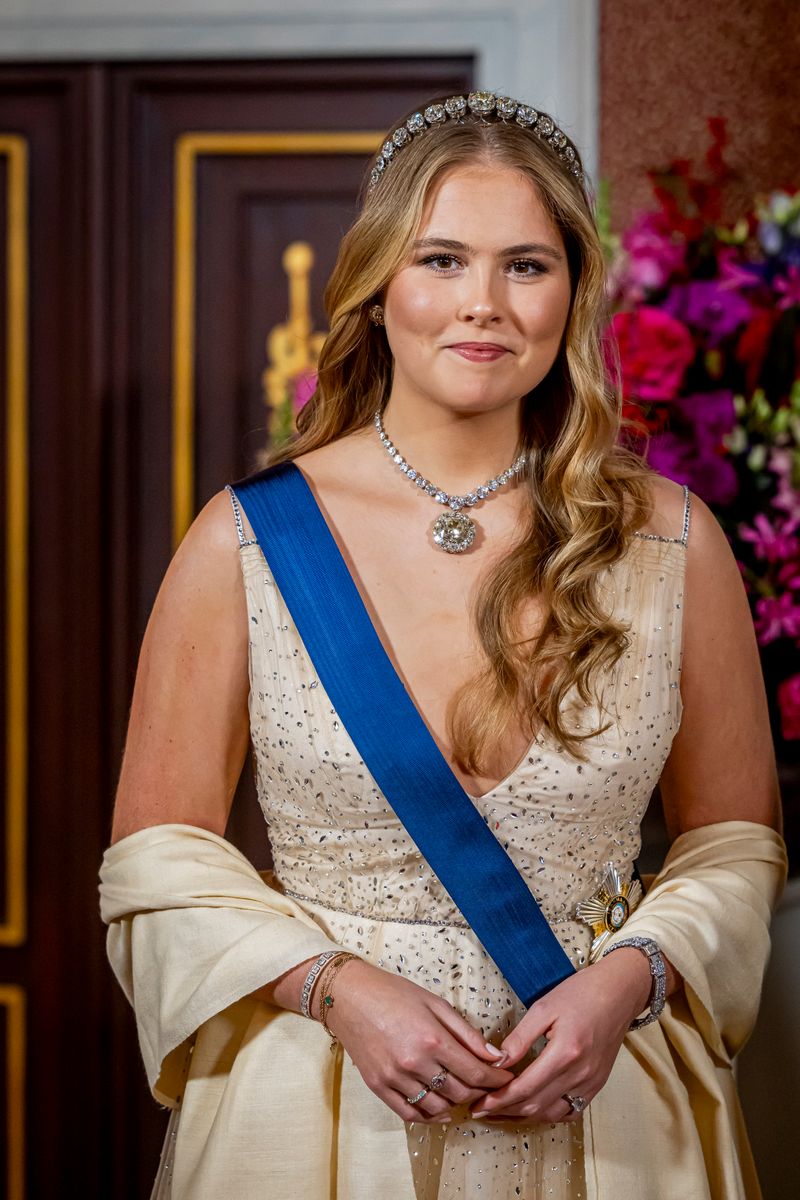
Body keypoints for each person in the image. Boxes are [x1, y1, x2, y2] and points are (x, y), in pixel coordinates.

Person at [99, 91, 787, 1200]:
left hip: (607, 1111)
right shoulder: (246, 541)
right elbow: (156, 860)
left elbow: (734, 845)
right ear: (378, 290)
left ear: (571, 293)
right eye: (441, 260)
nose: (484, 305)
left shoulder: (670, 541)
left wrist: (631, 978)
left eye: (526, 266)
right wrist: (332, 988)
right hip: (321, 1112)